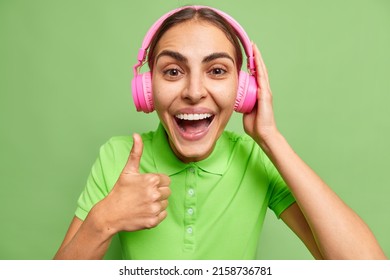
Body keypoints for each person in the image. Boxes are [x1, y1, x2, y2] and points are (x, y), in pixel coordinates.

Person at [54, 5, 386, 260]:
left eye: (216, 71)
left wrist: (271, 139)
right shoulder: (117, 156)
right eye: (172, 71)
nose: (194, 91)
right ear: (147, 88)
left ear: (244, 90)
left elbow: (368, 270)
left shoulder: (256, 158)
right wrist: (104, 220)